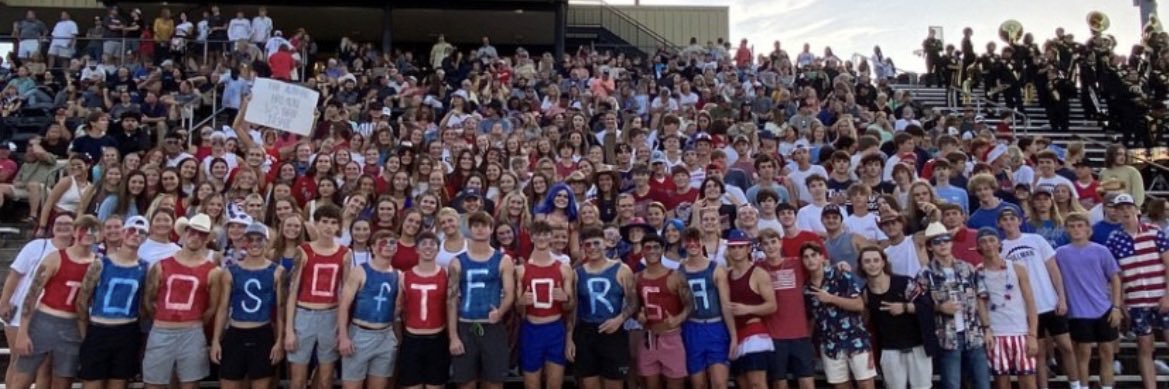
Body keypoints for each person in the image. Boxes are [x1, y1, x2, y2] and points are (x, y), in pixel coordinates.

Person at [10, 215, 101, 389]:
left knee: (63, 381)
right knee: (22, 378)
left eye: (94, 230)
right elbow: (32, 294)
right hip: (44, 320)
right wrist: (23, 331)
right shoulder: (55, 257)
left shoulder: (96, 263)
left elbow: (85, 302)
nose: (89, 233)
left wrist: (84, 334)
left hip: (72, 325)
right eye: (84, 228)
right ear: (75, 232)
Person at [996, 208, 1079, 389]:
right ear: (999, 224)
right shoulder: (1000, 249)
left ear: (1019, 221)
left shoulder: (1036, 239)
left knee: (1066, 346)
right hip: (1028, 310)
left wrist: (1061, 297)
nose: (1009, 222)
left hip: (1050, 302)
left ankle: (1076, 385)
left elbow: (1053, 269)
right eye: (1005, 219)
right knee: (1038, 353)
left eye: (1012, 218)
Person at [142, 213, 222, 389]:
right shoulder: (161, 265)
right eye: (192, 232)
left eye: (201, 234)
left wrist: (194, 322)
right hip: (162, 330)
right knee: (154, 383)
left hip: (192, 331)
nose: (195, 237)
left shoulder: (213, 271)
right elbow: (149, 299)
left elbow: (212, 307)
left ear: (207, 238)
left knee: (190, 384)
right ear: (184, 233)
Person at [75, 215, 150, 389]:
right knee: (92, 383)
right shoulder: (100, 264)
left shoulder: (145, 268)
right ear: (123, 233)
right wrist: (86, 333)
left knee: (119, 383)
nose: (136, 235)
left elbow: (145, 303)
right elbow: (82, 300)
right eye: (132, 230)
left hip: (127, 331)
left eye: (142, 233)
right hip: (98, 328)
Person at [1102, 193, 1169, 389]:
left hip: (1161, 295)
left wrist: (1167, 295)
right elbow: (1115, 274)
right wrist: (1120, 302)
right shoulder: (1114, 239)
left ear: (1136, 209)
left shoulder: (1155, 231)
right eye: (1121, 208)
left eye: (1128, 207)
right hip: (1136, 300)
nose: (1125, 211)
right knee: (1144, 345)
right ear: (1115, 212)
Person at [0, 212, 72, 389]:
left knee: (44, 367)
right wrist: (4, 302)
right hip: (20, 309)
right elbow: (15, 275)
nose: (63, 227)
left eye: (68, 224)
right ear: (52, 227)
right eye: (59, 223)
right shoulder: (37, 246)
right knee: (17, 362)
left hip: (49, 315)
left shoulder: (74, 252)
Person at [916, 222, 991, 389]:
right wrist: (939, 308)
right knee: (952, 384)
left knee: (983, 383)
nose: (942, 244)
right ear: (930, 247)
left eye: (946, 240)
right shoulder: (924, 274)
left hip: (973, 332)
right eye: (936, 242)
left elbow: (980, 299)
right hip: (946, 336)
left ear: (951, 242)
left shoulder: (968, 268)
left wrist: (986, 329)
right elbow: (918, 305)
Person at [447, 211, 516, 389]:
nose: (479, 230)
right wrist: (453, 336)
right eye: (475, 226)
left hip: (492, 327)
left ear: (491, 229)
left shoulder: (503, 260)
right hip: (465, 325)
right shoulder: (457, 262)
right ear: (469, 230)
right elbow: (452, 300)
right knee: (465, 382)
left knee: (493, 382)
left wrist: (500, 312)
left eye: (484, 226)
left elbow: (510, 293)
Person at [285, 204, 351, 389]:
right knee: (297, 379)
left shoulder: (345, 253)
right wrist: (289, 330)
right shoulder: (304, 251)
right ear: (316, 224)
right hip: (304, 314)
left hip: (330, 315)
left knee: (326, 378)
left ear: (339, 227)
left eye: (333, 223)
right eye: (324, 222)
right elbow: (292, 292)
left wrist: (341, 327)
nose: (328, 227)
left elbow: (345, 294)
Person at [211, 222, 284, 389]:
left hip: (262, 333)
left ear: (266, 242)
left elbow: (280, 309)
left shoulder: (277, 271)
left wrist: (279, 340)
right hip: (235, 333)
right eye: (250, 240)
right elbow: (223, 308)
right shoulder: (231, 271)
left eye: (259, 239)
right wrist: (216, 340)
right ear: (244, 242)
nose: (255, 244)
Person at [1055, 212, 1122, 389]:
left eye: (1080, 226)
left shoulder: (1101, 251)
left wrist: (1116, 307)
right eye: (1072, 226)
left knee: (1107, 352)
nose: (1076, 230)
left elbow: (1115, 278)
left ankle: (1107, 386)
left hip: (1103, 308)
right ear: (1066, 230)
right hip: (1078, 312)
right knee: (1083, 353)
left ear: (1088, 229)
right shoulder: (1060, 253)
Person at [800, 242, 875, 389]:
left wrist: (831, 298)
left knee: (866, 384)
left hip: (855, 339)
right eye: (806, 257)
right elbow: (812, 318)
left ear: (822, 257)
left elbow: (859, 304)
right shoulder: (807, 288)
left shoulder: (840, 274)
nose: (810, 260)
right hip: (829, 344)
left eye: (814, 255)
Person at [571, 226, 638, 389]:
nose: (592, 248)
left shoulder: (622, 269)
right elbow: (573, 309)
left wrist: (619, 319)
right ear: (582, 247)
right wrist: (569, 337)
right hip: (586, 332)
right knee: (589, 384)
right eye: (588, 244)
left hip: (613, 332)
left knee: (613, 384)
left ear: (605, 244)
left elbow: (634, 302)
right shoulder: (577, 273)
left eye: (596, 243)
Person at [859, 246, 933, 389]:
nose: (872, 264)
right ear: (862, 266)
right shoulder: (865, 293)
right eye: (867, 261)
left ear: (883, 263)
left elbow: (927, 305)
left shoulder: (904, 283)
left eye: (876, 260)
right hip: (889, 350)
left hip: (917, 345)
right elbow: (867, 323)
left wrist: (904, 307)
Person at [975, 228, 1040, 389]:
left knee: (1028, 382)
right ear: (978, 246)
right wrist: (986, 330)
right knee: (1002, 383)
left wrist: (1032, 334)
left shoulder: (1017, 268)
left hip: (1021, 332)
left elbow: (1031, 303)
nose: (988, 245)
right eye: (983, 241)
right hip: (996, 333)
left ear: (999, 243)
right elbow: (980, 303)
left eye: (991, 240)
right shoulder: (978, 272)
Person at [337, 230, 401, 389]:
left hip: (385, 335)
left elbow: (397, 308)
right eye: (382, 242)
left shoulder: (398, 275)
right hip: (360, 334)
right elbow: (344, 305)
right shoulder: (360, 271)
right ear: (372, 247)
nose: (388, 246)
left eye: (392, 243)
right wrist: (343, 337)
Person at [515, 220, 575, 389]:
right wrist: (521, 302)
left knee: (555, 384)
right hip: (531, 329)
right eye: (537, 234)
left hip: (555, 328)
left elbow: (570, 307)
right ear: (531, 237)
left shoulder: (564, 268)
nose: (541, 238)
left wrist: (565, 298)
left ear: (551, 237)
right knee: (531, 384)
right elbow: (518, 309)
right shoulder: (521, 270)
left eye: (545, 234)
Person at [678, 227, 736, 389]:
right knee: (699, 383)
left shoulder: (715, 268)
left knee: (719, 382)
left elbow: (726, 305)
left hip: (715, 326)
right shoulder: (680, 271)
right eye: (688, 241)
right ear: (683, 244)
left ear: (702, 242)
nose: (692, 244)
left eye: (696, 240)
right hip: (692, 327)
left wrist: (733, 336)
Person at [635, 232, 693, 389]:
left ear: (662, 250)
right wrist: (638, 316)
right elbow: (634, 306)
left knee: (676, 383)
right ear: (642, 251)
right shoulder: (637, 278)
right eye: (648, 247)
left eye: (656, 247)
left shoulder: (675, 276)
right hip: (649, 337)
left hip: (671, 336)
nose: (652, 250)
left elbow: (691, 305)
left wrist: (678, 319)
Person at [398, 231, 450, 389]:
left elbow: (452, 305)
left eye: (432, 244)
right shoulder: (404, 276)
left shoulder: (446, 274)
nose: (428, 248)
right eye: (424, 244)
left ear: (438, 249)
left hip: (437, 339)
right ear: (417, 249)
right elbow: (398, 308)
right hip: (411, 339)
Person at [725, 228, 775, 389]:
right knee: (744, 384)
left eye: (740, 246)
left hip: (754, 333)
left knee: (757, 383)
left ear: (748, 248)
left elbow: (772, 305)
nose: (737, 250)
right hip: (735, 334)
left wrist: (747, 309)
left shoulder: (758, 273)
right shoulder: (726, 274)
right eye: (733, 247)